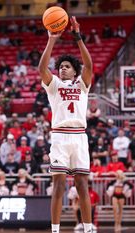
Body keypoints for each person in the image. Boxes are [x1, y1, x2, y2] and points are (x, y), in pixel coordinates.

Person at [38, 16, 93, 233]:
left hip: (79, 136)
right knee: (59, 185)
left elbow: (89, 65)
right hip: (60, 136)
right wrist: (51, 39)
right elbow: (42, 68)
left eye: (67, 67)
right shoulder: (54, 85)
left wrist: (78, 37)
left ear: (75, 71)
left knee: (82, 185)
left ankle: (88, 229)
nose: (62, 69)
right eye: (60, 66)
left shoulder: (82, 84)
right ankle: (55, 230)